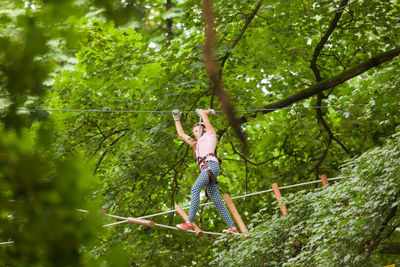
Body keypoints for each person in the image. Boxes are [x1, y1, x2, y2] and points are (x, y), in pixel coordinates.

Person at [172, 109, 238, 234]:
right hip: (208, 170)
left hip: (211, 166)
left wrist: (204, 113)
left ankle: (189, 222)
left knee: (195, 189)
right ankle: (232, 227)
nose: (196, 133)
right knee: (216, 199)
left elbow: (207, 123)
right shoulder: (196, 144)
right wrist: (176, 118)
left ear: (205, 129)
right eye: (194, 132)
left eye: (198, 130)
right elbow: (181, 134)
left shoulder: (210, 135)